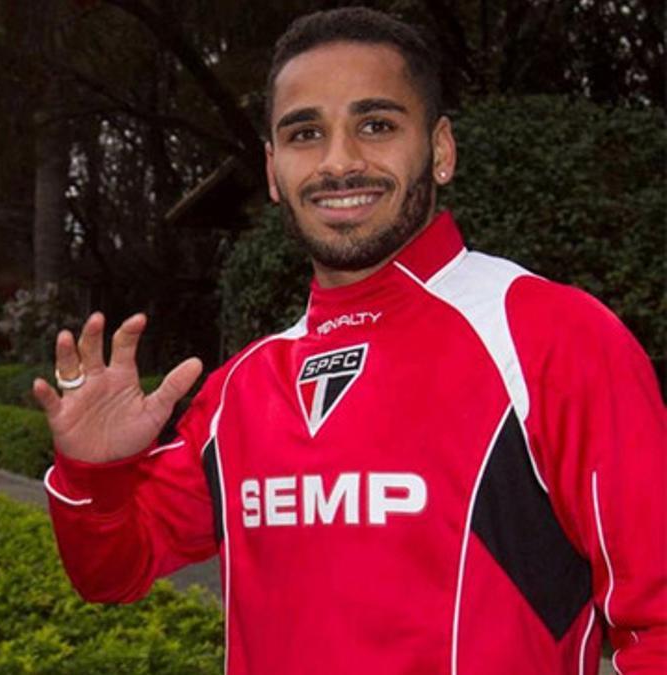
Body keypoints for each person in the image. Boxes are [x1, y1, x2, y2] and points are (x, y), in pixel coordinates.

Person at [32, 7, 665, 675]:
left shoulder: (553, 339)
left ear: (440, 149)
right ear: (274, 171)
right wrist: (93, 477)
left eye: (376, 125)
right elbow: (113, 571)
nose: (340, 162)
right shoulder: (242, 388)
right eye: (306, 133)